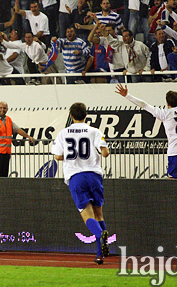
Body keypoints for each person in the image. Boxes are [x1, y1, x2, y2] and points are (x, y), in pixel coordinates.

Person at [52, 102, 110, 265]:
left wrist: (70, 157)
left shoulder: (63, 133)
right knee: (99, 214)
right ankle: (100, 254)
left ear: (71, 116)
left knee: (87, 216)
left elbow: (57, 156)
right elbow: (105, 153)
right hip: (94, 175)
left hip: (76, 177)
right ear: (86, 115)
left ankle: (100, 235)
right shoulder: (95, 131)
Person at [0, 102, 34, 177]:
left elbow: (18, 129)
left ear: (7, 109)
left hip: (6, 153)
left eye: (4, 108)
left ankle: (3, 189)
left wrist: (28, 136)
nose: (2, 110)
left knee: (4, 175)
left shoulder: (8, 120)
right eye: (1, 108)